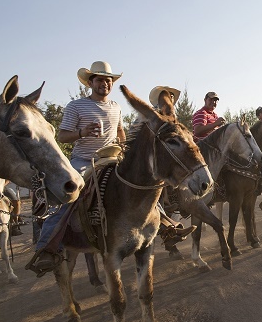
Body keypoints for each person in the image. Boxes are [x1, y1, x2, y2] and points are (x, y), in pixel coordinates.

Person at [26, 61, 127, 277]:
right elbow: (62, 136)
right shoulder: (76, 106)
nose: (105, 84)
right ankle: (46, 248)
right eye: (100, 80)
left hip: (112, 157)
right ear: (90, 82)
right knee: (68, 194)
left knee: (141, 181)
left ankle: (165, 226)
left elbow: (120, 131)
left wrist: (124, 147)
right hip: (83, 160)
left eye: (108, 80)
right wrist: (82, 133)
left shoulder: (116, 107)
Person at [145, 86, 196, 259]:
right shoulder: (152, 117)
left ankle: (184, 205)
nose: (171, 100)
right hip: (151, 161)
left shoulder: (174, 119)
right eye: (167, 97)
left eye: (172, 97)